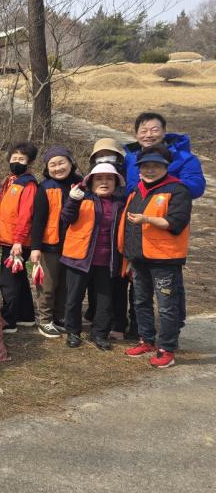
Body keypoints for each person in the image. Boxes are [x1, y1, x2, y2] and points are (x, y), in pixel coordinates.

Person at [121, 145, 192, 369]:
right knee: (140, 301)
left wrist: (147, 220)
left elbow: (176, 223)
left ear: (165, 167)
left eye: (155, 166)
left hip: (164, 259)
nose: (150, 170)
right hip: (139, 258)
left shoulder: (177, 190)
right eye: (145, 166)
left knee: (166, 305)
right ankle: (146, 340)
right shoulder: (136, 191)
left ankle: (167, 348)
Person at [60, 163, 125, 350]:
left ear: (115, 182)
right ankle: (73, 332)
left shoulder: (120, 204)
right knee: (73, 298)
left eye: (109, 178)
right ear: (91, 182)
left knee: (104, 301)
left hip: (107, 261)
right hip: (78, 259)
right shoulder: (81, 199)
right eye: (99, 178)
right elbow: (66, 218)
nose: (104, 182)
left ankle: (100, 334)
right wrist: (72, 200)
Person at [30, 146, 82, 338]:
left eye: (62, 163)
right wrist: (35, 248)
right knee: (48, 285)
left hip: (75, 244)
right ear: (47, 167)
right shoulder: (45, 187)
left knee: (66, 285)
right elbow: (38, 220)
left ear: (71, 163)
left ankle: (60, 317)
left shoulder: (81, 184)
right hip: (50, 244)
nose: (58, 168)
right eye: (53, 164)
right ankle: (44, 319)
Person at [87, 138, 132, 340]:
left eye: (111, 154)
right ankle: (96, 317)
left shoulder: (125, 184)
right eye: (101, 154)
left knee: (118, 286)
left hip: (119, 244)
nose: (106, 158)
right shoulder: (91, 182)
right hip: (95, 247)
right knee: (96, 286)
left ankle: (118, 324)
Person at [0, 142, 39, 333]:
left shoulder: (28, 184)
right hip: (7, 237)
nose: (17, 162)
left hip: (16, 241)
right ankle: (26, 316)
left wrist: (18, 241)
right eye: (14, 158)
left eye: (21, 159)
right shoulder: (10, 180)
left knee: (9, 281)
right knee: (20, 278)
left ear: (29, 162)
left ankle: (9, 320)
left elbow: (26, 214)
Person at [124, 112, 205, 199]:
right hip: (134, 209)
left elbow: (196, 188)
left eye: (154, 130)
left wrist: (163, 181)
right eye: (143, 131)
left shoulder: (184, 158)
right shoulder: (130, 158)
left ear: (164, 132)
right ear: (136, 134)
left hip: (168, 209)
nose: (148, 135)